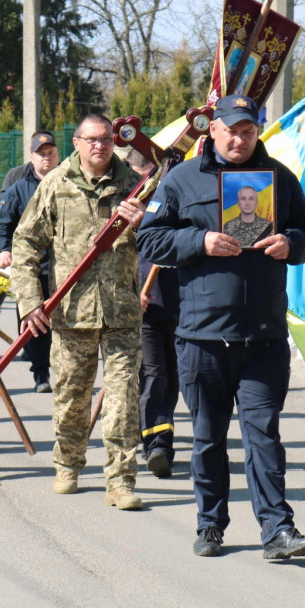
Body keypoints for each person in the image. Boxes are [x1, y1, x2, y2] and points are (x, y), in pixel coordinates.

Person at [136, 93, 305, 559]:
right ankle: (210, 525)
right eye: (231, 129)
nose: (239, 138)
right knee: (208, 437)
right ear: (212, 131)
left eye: (248, 129)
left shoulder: (278, 180)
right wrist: (199, 241)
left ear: (256, 132)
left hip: (262, 337)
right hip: (202, 337)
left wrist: (291, 242)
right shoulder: (180, 179)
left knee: (264, 436)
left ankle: (278, 531)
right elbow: (150, 238)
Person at [11, 114, 146, 511]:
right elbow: (25, 244)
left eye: (106, 139)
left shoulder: (135, 186)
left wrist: (144, 224)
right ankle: (68, 464)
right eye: (91, 140)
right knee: (71, 396)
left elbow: (161, 240)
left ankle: (120, 480)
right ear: (77, 142)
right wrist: (30, 302)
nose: (99, 146)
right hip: (71, 314)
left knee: (122, 399)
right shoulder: (56, 184)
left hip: (122, 311)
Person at [125, 148, 181, 480]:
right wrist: (132, 293)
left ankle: (152, 434)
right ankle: (157, 445)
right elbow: (115, 255)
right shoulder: (131, 201)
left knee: (173, 378)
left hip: (180, 302)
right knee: (154, 375)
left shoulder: (182, 201)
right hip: (144, 304)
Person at [0, 130, 59, 392]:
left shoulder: (70, 185)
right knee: (37, 322)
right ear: (32, 157)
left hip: (65, 269)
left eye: (50, 153)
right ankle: (41, 374)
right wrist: (3, 250)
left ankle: (62, 371)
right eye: (41, 154)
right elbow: (0, 223)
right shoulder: (19, 189)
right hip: (31, 269)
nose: (46, 158)